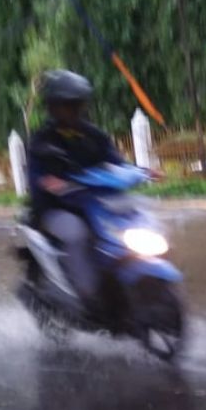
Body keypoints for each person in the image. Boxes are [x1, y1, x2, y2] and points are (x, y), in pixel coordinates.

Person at [27, 70, 140, 311]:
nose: (75, 110)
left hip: (94, 203)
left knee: (133, 219)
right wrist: (48, 183)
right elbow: (36, 177)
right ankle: (86, 295)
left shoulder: (94, 135)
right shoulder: (42, 140)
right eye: (69, 105)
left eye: (78, 104)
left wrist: (140, 171)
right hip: (56, 209)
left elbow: (117, 163)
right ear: (54, 107)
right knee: (79, 234)